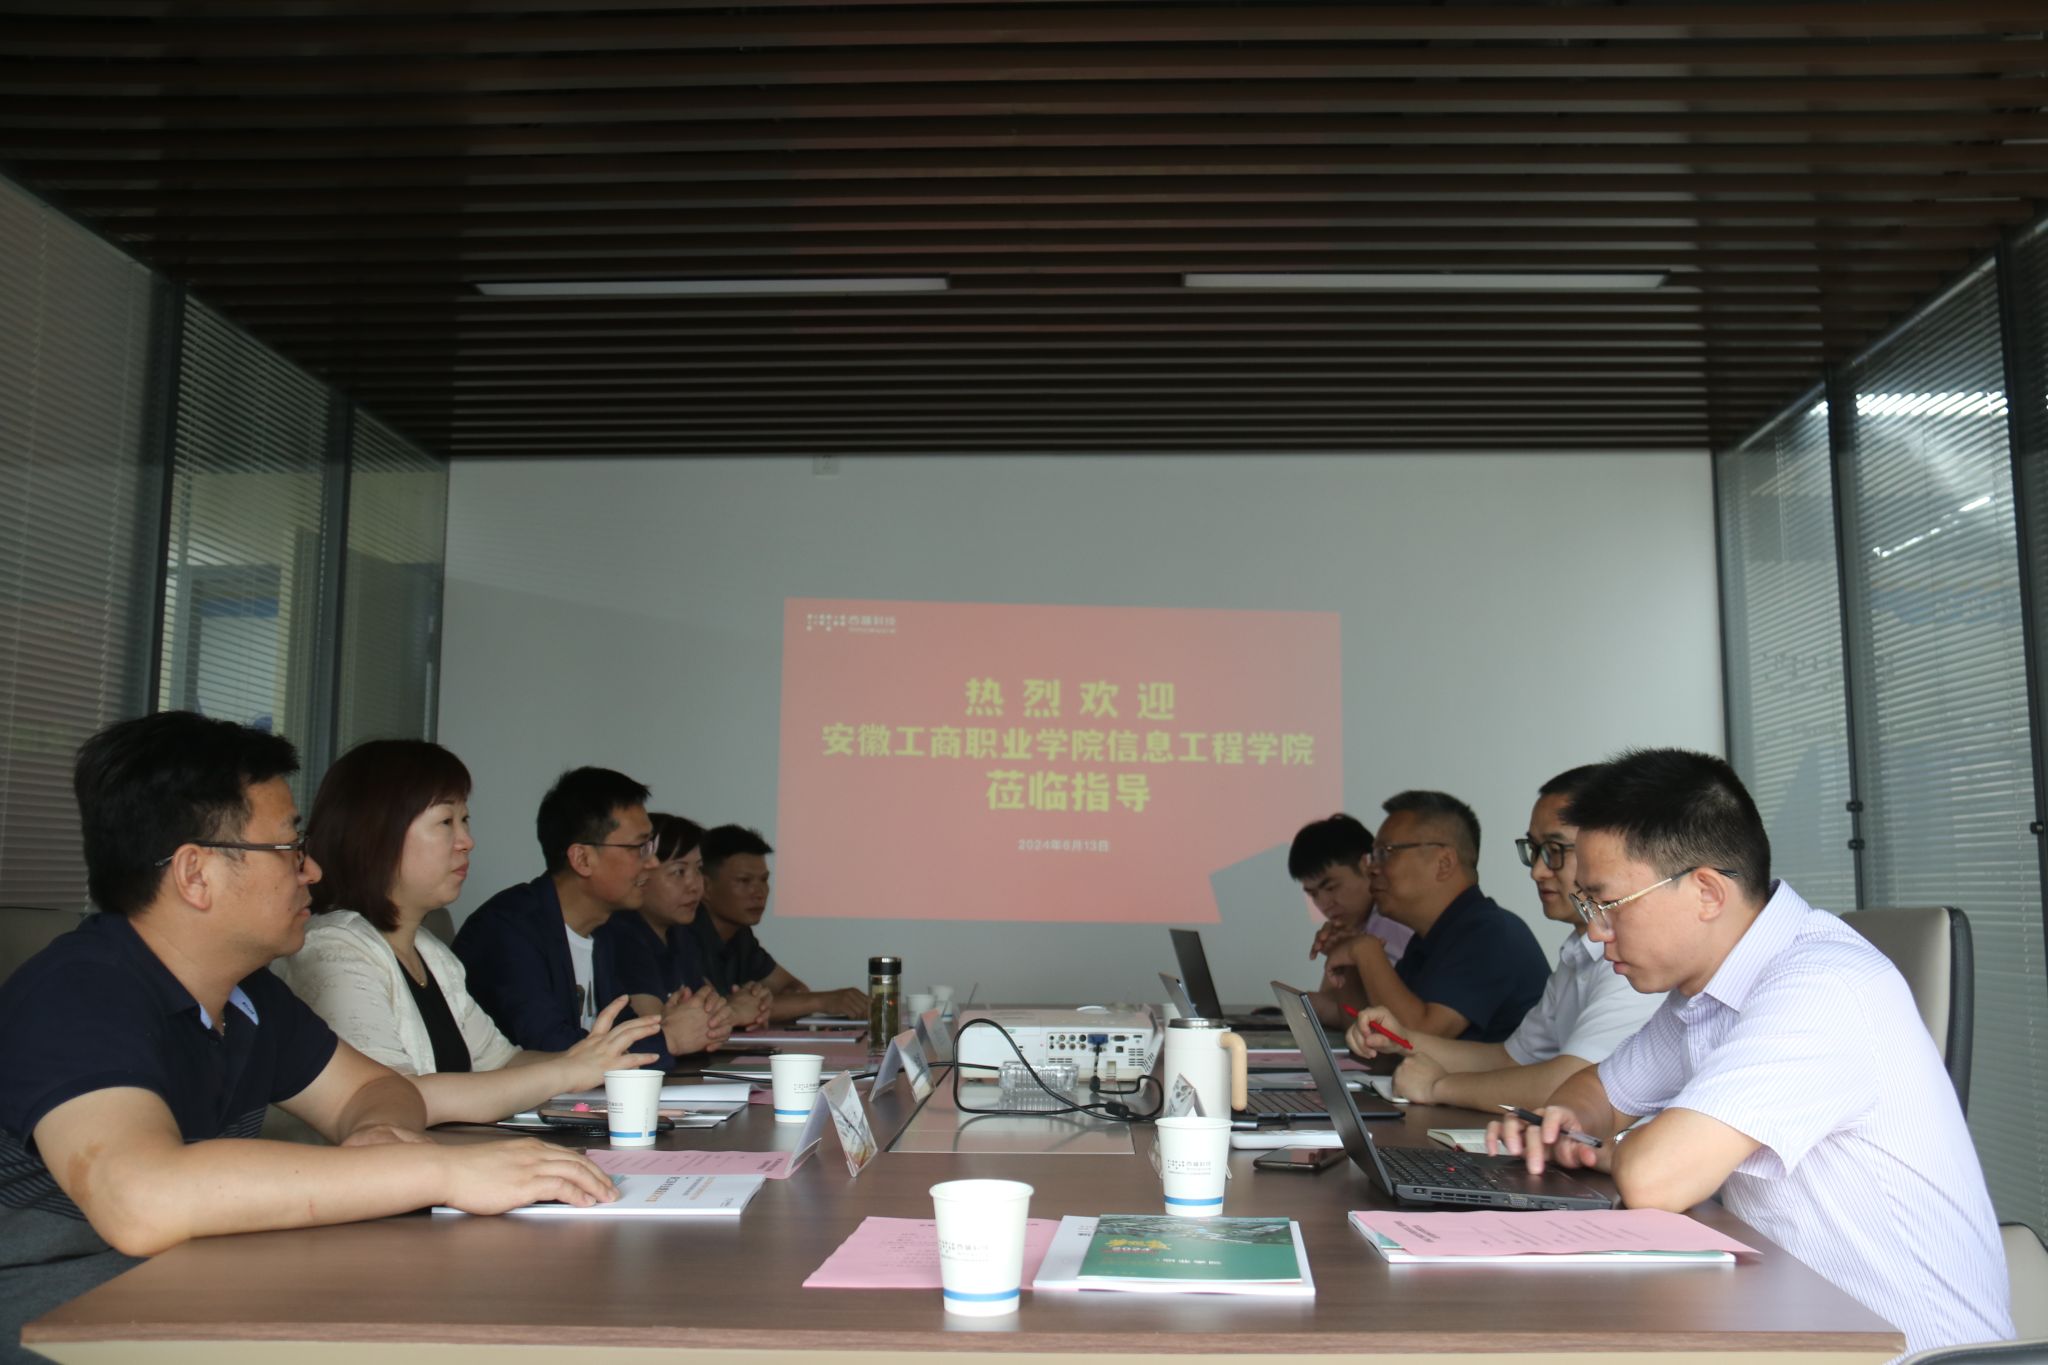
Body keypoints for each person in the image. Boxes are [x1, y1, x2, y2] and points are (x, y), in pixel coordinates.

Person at [0, 713, 617, 1361]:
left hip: (188, 1294)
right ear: (195, 874)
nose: (313, 870)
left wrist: (378, 1133)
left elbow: (373, 1089)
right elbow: (142, 1199)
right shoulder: (79, 991)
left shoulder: (249, 995)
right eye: (289, 848)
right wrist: (432, 1169)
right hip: (58, 1325)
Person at [1490, 748, 2011, 1355]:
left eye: (1608, 905)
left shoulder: (1822, 985)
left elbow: (1656, 1179)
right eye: (1589, 907)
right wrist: (1568, 1122)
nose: (1597, 931)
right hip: (1793, 1324)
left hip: (1905, 1353)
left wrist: (1608, 1149)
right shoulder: (1707, 993)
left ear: (1707, 893)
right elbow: (1596, 1092)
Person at [276, 740, 667, 1119]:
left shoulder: (432, 953)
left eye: (465, 821)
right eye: (446, 822)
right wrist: (566, 1071)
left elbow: (503, 1063)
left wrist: (586, 1058)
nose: (467, 841)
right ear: (378, 832)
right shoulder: (333, 949)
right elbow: (389, 1098)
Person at [1345, 764, 1662, 1108]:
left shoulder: (1637, 958)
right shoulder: (1577, 952)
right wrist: (1403, 1039)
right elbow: (1510, 1058)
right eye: (1534, 850)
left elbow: (1575, 1083)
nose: (1537, 871)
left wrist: (1439, 1087)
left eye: (1555, 850)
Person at [453, 767, 722, 1063]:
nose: (652, 863)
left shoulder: (602, 930)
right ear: (582, 859)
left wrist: (671, 1025)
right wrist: (668, 1038)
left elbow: (621, 1029)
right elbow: (550, 1049)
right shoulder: (509, 929)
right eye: (640, 848)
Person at [1323, 790, 1548, 1042]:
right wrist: (1349, 969)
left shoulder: (1489, 933)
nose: (1372, 869)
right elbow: (1377, 1047)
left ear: (1444, 863)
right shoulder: (1427, 939)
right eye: (1372, 856)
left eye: (1385, 853)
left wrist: (1366, 951)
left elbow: (1413, 1040)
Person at [590, 813, 757, 1046]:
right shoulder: (621, 933)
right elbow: (655, 1031)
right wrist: (735, 1012)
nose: (695, 885)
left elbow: (711, 1006)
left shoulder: (681, 934)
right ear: (641, 872)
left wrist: (726, 1012)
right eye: (679, 872)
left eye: (699, 870)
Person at [691, 825, 867, 1025]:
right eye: (744, 881)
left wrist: (756, 1002)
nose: (759, 892)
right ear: (705, 887)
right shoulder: (682, 934)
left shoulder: (741, 935)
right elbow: (711, 1012)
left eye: (764, 880)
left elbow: (794, 989)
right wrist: (821, 1001)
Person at [1289, 812, 1413, 1025]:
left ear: (1367, 865)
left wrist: (1316, 1008)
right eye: (1313, 894)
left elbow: (1393, 1018)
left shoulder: (1393, 921)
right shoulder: (1357, 925)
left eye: (1331, 887)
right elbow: (1336, 997)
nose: (1324, 903)